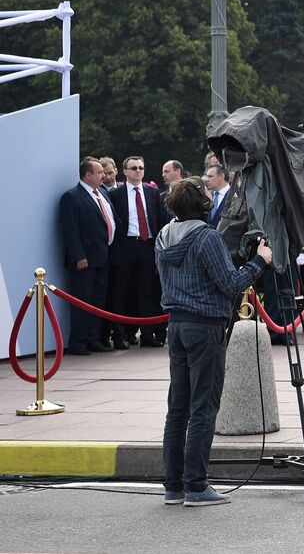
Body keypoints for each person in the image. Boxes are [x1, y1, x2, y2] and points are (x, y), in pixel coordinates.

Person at [156, 176, 272, 507]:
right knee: (204, 407)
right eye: (207, 195)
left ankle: (173, 485)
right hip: (205, 328)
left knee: (177, 409)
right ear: (204, 205)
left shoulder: (164, 237)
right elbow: (230, 283)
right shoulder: (207, 238)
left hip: (176, 325)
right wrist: (258, 261)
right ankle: (196, 485)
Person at [107, 156, 168, 348]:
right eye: (134, 168)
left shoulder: (152, 192)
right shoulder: (116, 194)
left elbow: (158, 221)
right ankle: (118, 335)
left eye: (141, 167)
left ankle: (147, 335)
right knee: (121, 291)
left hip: (147, 246)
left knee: (147, 292)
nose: (138, 171)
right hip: (125, 246)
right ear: (124, 171)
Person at [58, 158, 115, 355]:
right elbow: (70, 230)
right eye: (100, 173)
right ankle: (79, 341)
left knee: (98, 300)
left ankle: (93, 338)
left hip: (104, 256)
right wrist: (79, 256)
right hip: (85, 260)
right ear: (88, 175)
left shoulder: (103, 195)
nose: (104, 176)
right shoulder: (72, 197)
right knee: (83, 300)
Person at [205, 164, 231, 229]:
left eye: (210, 176)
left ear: (222, 176)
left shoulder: (234, 195)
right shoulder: (207, 195)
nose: (207, 180)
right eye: (207, 176)